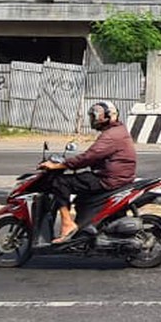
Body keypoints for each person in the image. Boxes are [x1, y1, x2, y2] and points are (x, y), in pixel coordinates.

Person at [40, 100, 137, 242]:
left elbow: (89, 157)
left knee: (61, 182)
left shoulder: (111, 136)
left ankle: (67, 224)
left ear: (105, 117)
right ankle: (86, 228)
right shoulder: (117, 131)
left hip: (108, 179)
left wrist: (60, 166)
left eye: (94, 116)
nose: (92, 120)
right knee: (81, 198)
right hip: (116, 177)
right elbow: (94, 156)